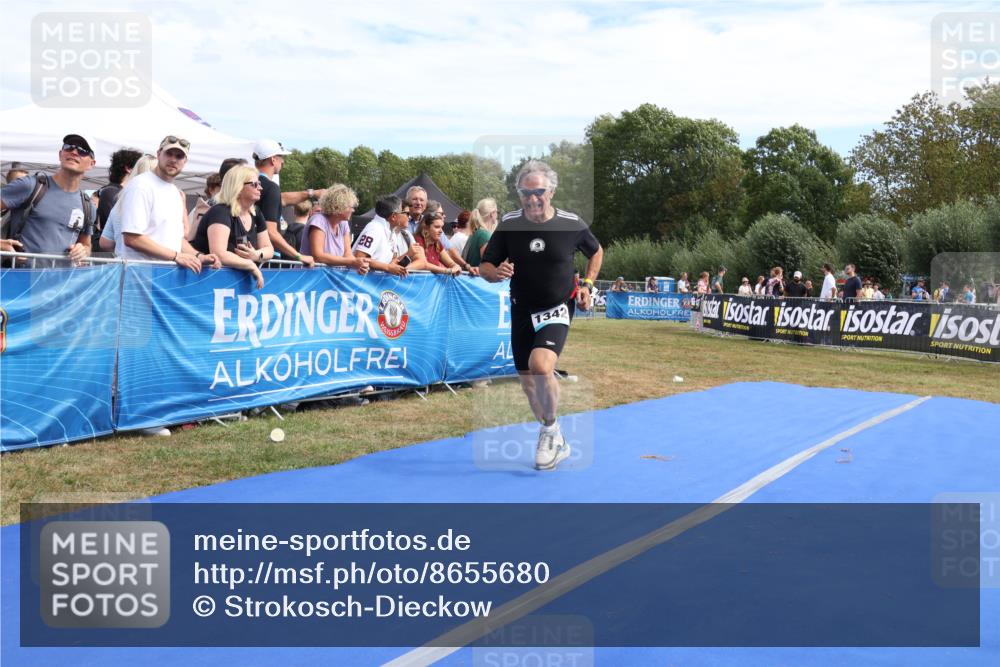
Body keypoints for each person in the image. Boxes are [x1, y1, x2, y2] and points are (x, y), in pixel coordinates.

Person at [480, 160, 603, 472]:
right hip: (522, 309)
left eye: (539, 192)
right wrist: (497, 272)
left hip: (558, 307)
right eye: (525, 192)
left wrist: (587, 285)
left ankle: (549, 432)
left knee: (541, 365)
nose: (533, 198)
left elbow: (596, 251)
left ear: (552, 192)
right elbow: (485, 267)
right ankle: (555, 431)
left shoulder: (571, 223)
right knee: (529, 384)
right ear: (519, 194)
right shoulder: (509, 224)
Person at [119, 135, 218, 273]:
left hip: (165, 278)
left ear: (185, 161)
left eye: (179, 156)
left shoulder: (175, 193)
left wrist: (198, 256)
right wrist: (176, 256)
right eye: (169, 153)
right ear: (159, 154)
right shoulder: (141, 185)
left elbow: (176, 239)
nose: (173, 160)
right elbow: (132, 238)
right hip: (139, 277)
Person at [0, 133, 98, 263]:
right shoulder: (30, 185)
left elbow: (86, 244)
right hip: (19, 279)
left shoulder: (88, 206)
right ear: (60, 154)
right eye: (69, 147)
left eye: (82, 151)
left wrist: (83, 250)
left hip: (60, 281)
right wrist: (1, 245)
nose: (74, 152)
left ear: (92, 164)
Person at [190, 165, 274, 289]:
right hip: (206, 283)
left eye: (259, 183)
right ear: (238, 187)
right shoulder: (221, 211)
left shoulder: (256, 212)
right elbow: (219, 253)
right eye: (254, 184)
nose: (260, 188)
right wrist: (250, 265)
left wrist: (256, 255)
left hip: (232, 286)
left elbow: (269, 248)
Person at [253, 138, 319, 266]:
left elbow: (282, 199)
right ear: (273, 159)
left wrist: (312, 193)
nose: (283, 162)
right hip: (266, 259)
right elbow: (271, 232)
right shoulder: (271, 188)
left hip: (251, 253)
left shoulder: (250, 183)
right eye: (281, 157)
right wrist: (299, 256)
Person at [300, 183, 368, 274]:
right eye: (350, 207)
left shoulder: (343, 224)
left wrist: (358, 265)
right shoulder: (318, 220)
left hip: (330, 278)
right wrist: (352, 262)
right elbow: (318, 256)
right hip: (310, 277)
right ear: (337, 207)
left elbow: (347, 254)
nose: (353, 210)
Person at [100, 154, 158, 253]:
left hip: (122, 264)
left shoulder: (120, 202)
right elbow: (182, 236)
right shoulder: (158, 203)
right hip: (152, 264)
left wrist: (120, 248)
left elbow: (105, 243)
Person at [352, 194, 415, 276]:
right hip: (360, 284)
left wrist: (407, 255)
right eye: (406, 213)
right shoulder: (375, 229)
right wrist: (388, 267)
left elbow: (392, 261)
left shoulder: (391, 231)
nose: (409, 217)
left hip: (374, 284)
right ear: (393, 217)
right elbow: (360, 258)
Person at [95, 147, 143, 241]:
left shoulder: (126, 192)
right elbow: (116, 228)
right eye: (140, 167)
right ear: (129, 168)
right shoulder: (110, 192)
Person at [415, 211, 461, 275]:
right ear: (426, 228)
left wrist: (456, 266)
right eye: (437, 227)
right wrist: (448, 271)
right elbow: (424, 264)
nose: (441, 231)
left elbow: (450, 263)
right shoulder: (418, 240)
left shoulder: (437, 243)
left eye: (441, 227)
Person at [463, 197, 498, 270]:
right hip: (479, 279)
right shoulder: (484, 235)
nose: (497, 215)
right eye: (497, 212)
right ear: (492, 214)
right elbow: (489, 265)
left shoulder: (477, 232)